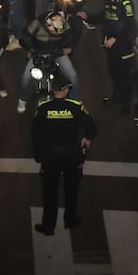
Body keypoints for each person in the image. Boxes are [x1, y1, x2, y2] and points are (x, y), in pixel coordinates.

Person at [31, 78, 97, 236]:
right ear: (66, 91)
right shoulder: (75, 107)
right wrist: (87, 138)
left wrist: (38, 155)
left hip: (50, 156)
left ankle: (48, 226)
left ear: (53, 91)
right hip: (72, 156)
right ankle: (70, 220)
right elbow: (92, 126)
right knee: (72, 189)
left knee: (50, 193)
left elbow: (35, 132)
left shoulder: (43, 107)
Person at [77, 0, 137, 112]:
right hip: (111, 46)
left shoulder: (125, 3)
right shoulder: (109, 3)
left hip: (123, 46)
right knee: (114, 71)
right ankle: (117, 95)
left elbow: (128, 25)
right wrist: (88, 17)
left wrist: (115, 38)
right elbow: (102, 17)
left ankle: (127, 102)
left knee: (124, 75)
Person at [18, 10, 80, 113]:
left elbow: (70, 37)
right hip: (38, 52)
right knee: (26, 77)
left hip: (57, 52)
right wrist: (30, 49)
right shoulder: (36, 24)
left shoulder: (64, 24)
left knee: (72, 75)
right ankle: (22, 99)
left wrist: (69, 48)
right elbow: (24, 38)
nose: (55, 34)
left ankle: (76, 100)